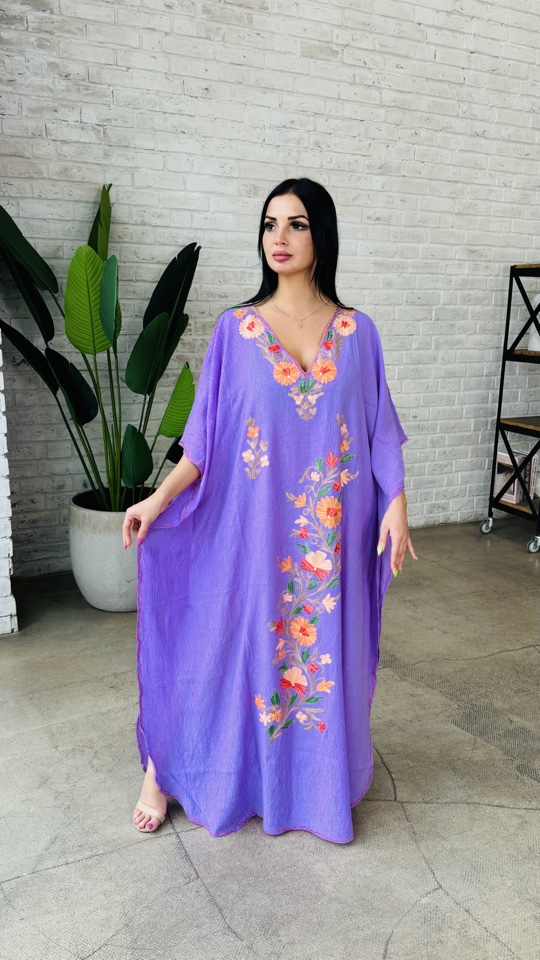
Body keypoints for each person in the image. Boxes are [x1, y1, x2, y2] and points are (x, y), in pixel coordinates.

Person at [123, 178, 417, 844]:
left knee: (317, 663)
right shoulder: (237, 330)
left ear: (322, 235)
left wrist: (397, 503)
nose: (278, 238)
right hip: (249, 531)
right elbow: (204, 439)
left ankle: (309, 788)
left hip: (328, 540)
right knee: (218, 641)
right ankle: (162, 769)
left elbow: (379, 429)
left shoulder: (358, 333)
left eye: (296, 224)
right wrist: (159, 498)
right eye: (269, 224)